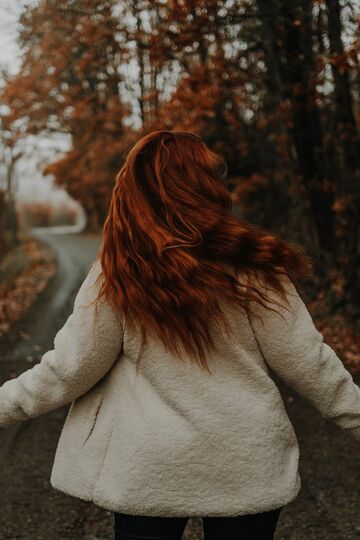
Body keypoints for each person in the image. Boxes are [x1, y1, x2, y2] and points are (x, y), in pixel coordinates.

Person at [0, 130, 359, 540]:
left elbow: (68, 370)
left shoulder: (121, 271)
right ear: (205, 187)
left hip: (149, 470)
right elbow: (312, 365)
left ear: (136, 193)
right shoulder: (255, 268)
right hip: (245, 464)